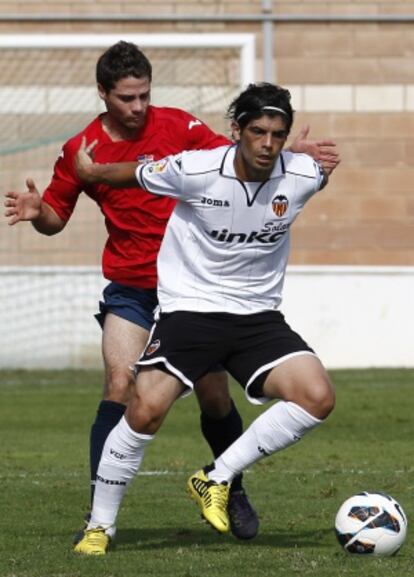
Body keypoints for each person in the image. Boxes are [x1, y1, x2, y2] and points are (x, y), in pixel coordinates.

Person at [4, 43, 338, 543]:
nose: (138, 107)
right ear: (103, 94)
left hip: (203, 289)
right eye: (126, 98)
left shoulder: (181, 128)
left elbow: (242, 157)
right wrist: (38, 213)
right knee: (122, 384)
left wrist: (292, 157)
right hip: (136, 285)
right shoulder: (82, 148)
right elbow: (57, 215)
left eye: (144, 96)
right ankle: (100, 517)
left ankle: (228, 484)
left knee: (214, 395)